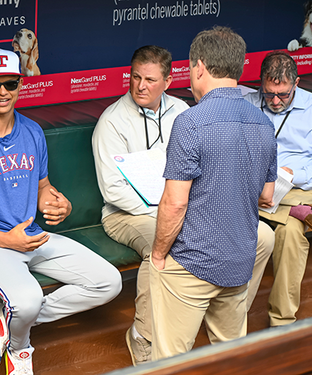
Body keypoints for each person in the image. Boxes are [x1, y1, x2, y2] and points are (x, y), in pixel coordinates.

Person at [0, 49, 122, 375]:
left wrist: (57, 202)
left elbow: (42, 187)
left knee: (108, 282)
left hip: (29, 236)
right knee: (27, 299)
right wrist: (5, 240)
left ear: (21, 84)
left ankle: (8, 318)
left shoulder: (32, 131)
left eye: (10, 83)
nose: (3, 92)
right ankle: (19, 349)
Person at [92, 45, 275, 365]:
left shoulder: (183, 112)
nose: (140, 85)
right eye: (135, 77)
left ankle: (223, 305)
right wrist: (165, 211)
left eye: (150, 79)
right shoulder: (112, 121)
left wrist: (178, 210)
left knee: (263, 236)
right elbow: (113, 191)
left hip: (180, 207)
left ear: (168, 80)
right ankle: (143, 335)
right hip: (128, 213)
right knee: (160, 238)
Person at [149, 26, 277, 360]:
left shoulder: (190, 122)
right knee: (230, 360)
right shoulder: (264, 123)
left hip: (191, 262)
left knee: (168, 362)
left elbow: (175, 203)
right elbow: (267, 195)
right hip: (239, 262)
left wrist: (159, 254)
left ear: (199, 67)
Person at [245, 50, 312, 327]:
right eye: (268, 92)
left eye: (282, 94)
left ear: (296, 83)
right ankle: (302, 213)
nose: (274, 101)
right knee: (294, 227)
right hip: (252, 189)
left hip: (296, 186)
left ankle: (281, 324)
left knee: (291, 232)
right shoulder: (247, 104)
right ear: (261, 82)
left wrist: (293, 173)